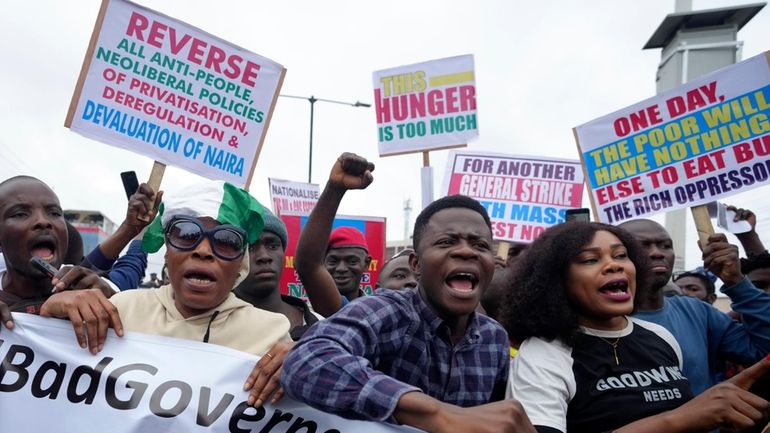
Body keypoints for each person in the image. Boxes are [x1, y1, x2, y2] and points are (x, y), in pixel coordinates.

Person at [282, 165, 533, 433]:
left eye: (480, 245)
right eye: (447, 242)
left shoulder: (494, 339)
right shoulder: (389, 310)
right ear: (416, 264)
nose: (466, 252)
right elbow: (306, 361)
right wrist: (437, 414)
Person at [40, 180, 292, 406]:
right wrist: (51, 316)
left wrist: (302, 365)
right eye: (186, 234)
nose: (203, 251)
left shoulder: (271, 333)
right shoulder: (121, 309)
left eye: (226, 240)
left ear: (241, 262)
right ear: (167, 251)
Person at [503, 221, 770, 433]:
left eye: (621, 255)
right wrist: (677, 420)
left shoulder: (660, 337)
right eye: (590, 259)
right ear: (556, 279)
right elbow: (680, 419)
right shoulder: (544, 355)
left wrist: (717, 407)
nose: (614, 265)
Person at [620, 219, 770, 395]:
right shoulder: (595, 317)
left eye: (666, 245)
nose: (657, 253)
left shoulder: (698, 312)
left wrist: (737, 282)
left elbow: (763, 352)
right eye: (643, 245)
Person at [0, 176, 121, 350]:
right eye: (20, 214)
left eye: (54, 213)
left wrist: (114, 303)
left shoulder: (96, 290)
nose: (43, 221)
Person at [293, 153, 374, 317]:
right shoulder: (306, 315)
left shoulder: (379, 312)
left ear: (367, 263)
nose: (342, 269)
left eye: (351, 261)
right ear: (322, 261)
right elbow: (307, 264)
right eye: (333, 261)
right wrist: (335, 188)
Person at [234, 207, 320, 341]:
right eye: (249, 247)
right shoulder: (212, 328)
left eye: (272, 246)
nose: (264, 256)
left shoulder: (320, 326)